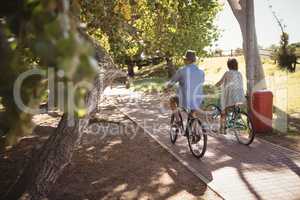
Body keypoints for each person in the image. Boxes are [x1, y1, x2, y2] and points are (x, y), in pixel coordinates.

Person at [215, 58, 245, 133]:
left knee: (224, 111)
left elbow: (220, 82)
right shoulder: (239, 73)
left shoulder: (227, 73)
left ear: (228, 65)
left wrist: (214, 86)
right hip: (240, 96)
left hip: (231, 96)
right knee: (234, 107)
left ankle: (222, 129)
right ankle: (235, 120)